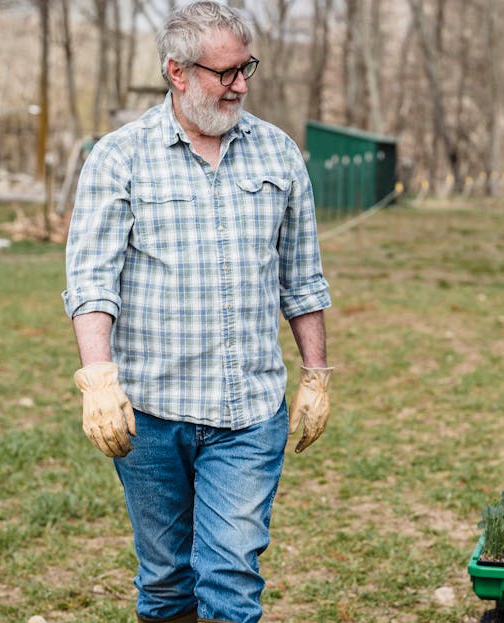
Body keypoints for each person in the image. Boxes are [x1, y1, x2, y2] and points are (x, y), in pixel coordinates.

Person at [62, 3, 333, 622]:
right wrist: (98, 379)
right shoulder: (119, 156)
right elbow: (91, 279)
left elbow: (302, 277)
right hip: (150, 414)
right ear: (176, 72)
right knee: (165, 582)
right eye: (225, 73)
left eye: (247, 69)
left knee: (231, 579)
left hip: (248, 412)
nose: (241, 85)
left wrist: (317, 374)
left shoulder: (279, 154)